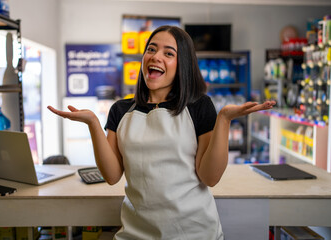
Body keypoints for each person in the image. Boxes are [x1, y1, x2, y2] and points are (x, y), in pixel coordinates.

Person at [48, 25, 276, 239]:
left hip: (194, 233)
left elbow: (210, 177)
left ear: (183, 64)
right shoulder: (120, 110)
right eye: (151, 49)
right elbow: (112, 175)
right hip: (136, 233)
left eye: (168, 53)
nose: (156, 56)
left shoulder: (199, 106)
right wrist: (93, 124)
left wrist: (224, 119)